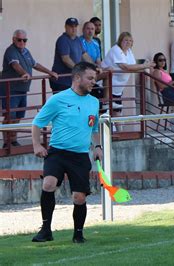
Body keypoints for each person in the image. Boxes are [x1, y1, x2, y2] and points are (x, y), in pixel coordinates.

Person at [31, 62, 103, 243]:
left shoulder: (94, 102)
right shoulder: (58, 99)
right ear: (77, 78)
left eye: (94, 78)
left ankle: (78, 234)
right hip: (57, 153)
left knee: (79, 197)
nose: (93, 82)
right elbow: (37, 123)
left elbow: (94, 128)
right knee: (48, 184)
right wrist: (37, 145)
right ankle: (46, 230)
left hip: (79, 156)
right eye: (90, 78)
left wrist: (98, 147)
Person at [1, 29, 58, 148]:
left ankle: (13, 140)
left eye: (24, 40)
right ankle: (7, 143)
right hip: (10, 90)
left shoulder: (26, 51)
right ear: (13, 39)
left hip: (22, 90)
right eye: (19, 40)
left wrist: (50, 72)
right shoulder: (11, 51)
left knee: (18, 116)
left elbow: (35, 64)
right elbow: (15, 65)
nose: (22, 42)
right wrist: (23, 73)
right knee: (9, 116)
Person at [101, 32, 155, 114]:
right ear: (120, 41)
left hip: (117, 89)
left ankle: (119, 127)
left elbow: (132, 67)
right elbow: (126, 67)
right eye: (125, 40)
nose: (128, 42)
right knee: (103, 112)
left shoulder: (129, 51)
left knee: (117, 113)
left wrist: (144, 68)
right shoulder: (116, 49)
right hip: (105, 87)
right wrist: (145, 66)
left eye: (130, 40)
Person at [50, 18, 93, 93]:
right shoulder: (63, 40)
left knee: (74, 103)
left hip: (72, 81)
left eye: (75, 26)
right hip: (61, 81)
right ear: (66, 27)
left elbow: (85, 55)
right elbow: (65, 59)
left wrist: (94, 66)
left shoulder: (78, 40)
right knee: (63, 104)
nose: (74, 29)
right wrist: (79, 69)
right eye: (71, 26)